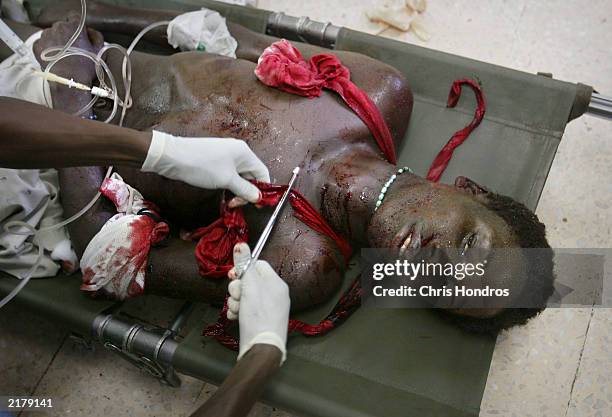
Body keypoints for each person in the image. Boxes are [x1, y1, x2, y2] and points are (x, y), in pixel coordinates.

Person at [14, 2, 555, 333]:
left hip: (31, 156)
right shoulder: (375, 92)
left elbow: (101, 250)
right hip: (79, 45)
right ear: (471, 189)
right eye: (466, 247)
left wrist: (69, 79)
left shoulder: (298, 266)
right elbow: (219, 39)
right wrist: (87, 15)